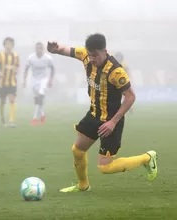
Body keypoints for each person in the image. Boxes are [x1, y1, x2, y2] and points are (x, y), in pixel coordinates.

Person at [47, 33, 157, 192]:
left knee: (105, 168)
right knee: (77, 150)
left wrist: (113, 122)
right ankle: (83, 186)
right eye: (90, 54)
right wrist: (55, 50)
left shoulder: (115, 71)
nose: (92, 58)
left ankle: (147, 158)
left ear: (105, 51)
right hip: (94, 115)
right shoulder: (86, 55)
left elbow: (131, 97)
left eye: (95, 55)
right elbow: (66, 50)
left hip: (111, 121)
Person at [23, 42, 54, 126]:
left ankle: (34, 118)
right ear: (35, 49)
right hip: (34, 80)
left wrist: (50, 80)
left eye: (40, 48)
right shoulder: (31, 58)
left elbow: (52, 68)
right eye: (37, 48)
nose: (39, 50)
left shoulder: (47, 58)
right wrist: (24, 80)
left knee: (40, 96)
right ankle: (43, 114)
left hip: (44, 80)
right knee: (37, 100)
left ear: (43, 49)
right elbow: (26, 69)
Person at [0, 37, 20, 127]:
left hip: (12, 82)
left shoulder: (15, 56)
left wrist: (16, 70)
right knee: (2, 101)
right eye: (7, 44)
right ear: (4, 45)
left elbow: (18, 66)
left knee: (12, 100)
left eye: (10, 44)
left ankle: (12, 121)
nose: (8, 45)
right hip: (2, 82)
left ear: (12, 45)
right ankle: (2, 119)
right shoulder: (0, 55)